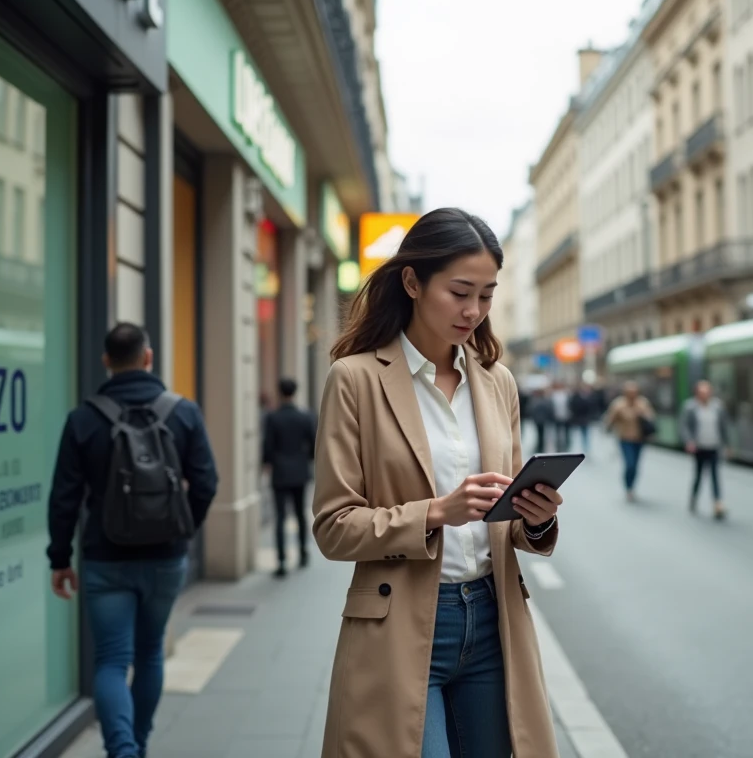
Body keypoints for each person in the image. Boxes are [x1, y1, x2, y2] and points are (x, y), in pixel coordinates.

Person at [312, 208, 563, 758]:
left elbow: (507, 519)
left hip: (493, 619)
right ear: (412, 282)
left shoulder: (497, 382)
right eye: (459, 292)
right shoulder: (355, 378)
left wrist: (536, 519)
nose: (474, 311)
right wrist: (435, 512)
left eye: (487, 295)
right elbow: (333, 526)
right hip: (399, 623)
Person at [47, 323, 218, 758]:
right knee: (150, 653)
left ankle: (123, 751)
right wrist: (183, 529)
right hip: (166, 558)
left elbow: (64, 498)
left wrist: (60, 558)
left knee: (110, 659)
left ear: (107, 361)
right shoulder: (183, 412)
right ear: (148, 357)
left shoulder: (83, 419)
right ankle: (136, 746)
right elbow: (206, 483)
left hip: (105, 558)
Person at [262, 377, 317, 577]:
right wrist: (305, 459)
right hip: (300, 471)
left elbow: (268, 445)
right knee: (300, 514)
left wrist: (267, 463)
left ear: (280, 393)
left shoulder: (273, 417)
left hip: (280, 472)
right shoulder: (305, 417)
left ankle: (281, 561)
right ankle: (303, 553)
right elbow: (314, 443)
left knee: (280, 517)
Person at [681, 380, 731, 519]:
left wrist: (727, 445)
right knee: (698, 476)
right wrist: (689, 441)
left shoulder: (717, 406)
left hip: (714, 446)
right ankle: (694, 498)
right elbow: (685, 426)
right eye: (702, 392)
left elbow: (723, 427)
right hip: (699, 448)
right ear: (697, 393)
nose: (705, 394)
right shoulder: (690, 407)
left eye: (707, 392)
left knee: (715, 476)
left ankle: (717, 504)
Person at [604, 381, 654, 501]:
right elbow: (610, 419)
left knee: (636, 465)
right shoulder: (618, 404)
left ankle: (632, 487)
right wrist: (608, 427)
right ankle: (628, 488)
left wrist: (642, 414)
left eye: (634, 392)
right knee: (629, 464)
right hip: (625, 439)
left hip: (639, 439)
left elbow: (651, 417)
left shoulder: (642, 403)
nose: (632, 395)